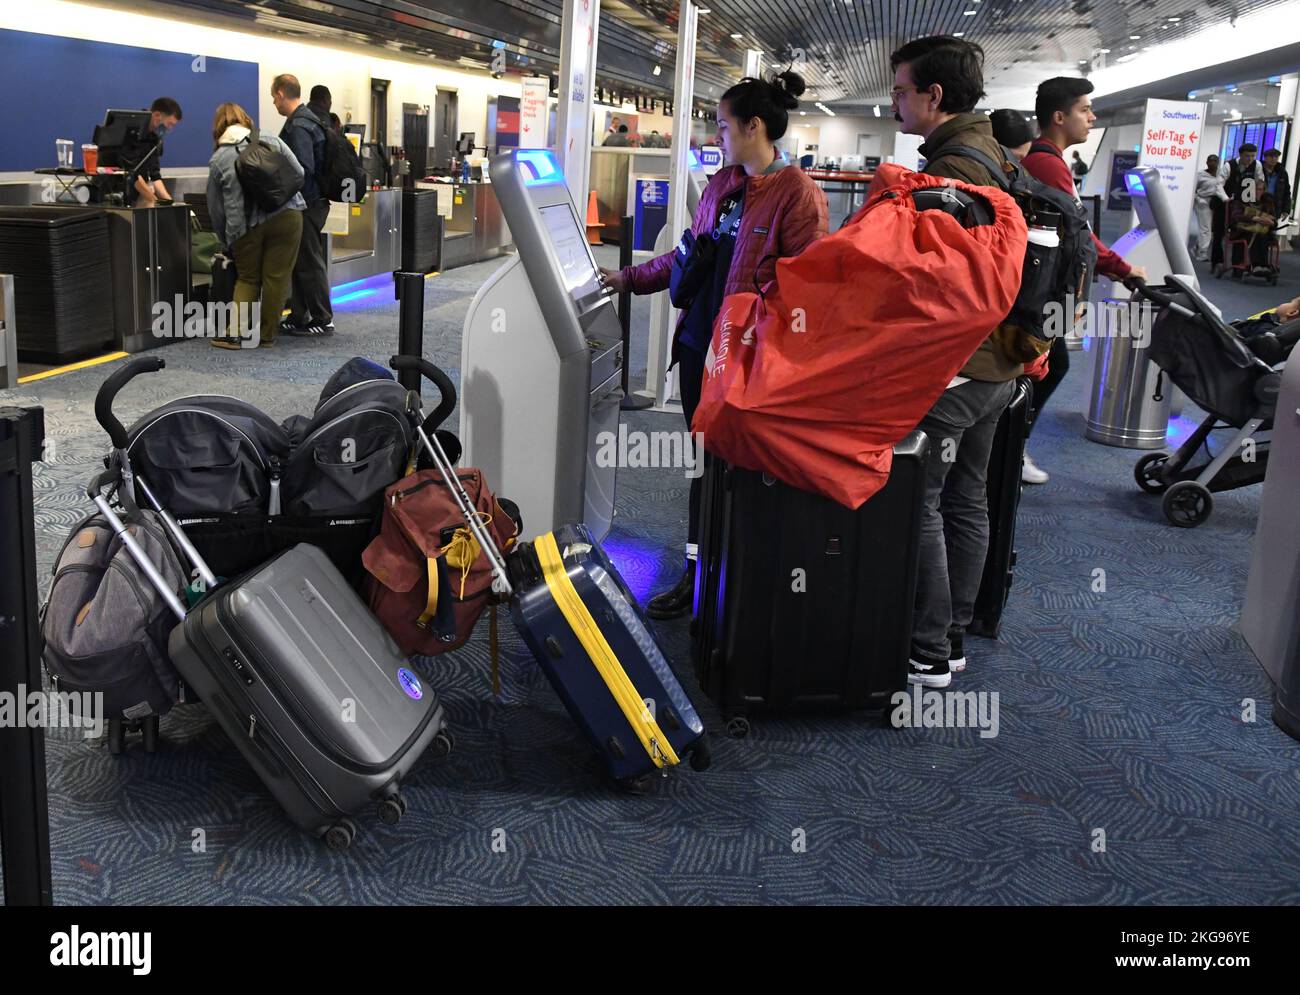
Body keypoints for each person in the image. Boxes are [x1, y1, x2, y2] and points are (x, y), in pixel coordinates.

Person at [597, 71, 828, 619]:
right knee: (704, 467)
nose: (717, 134)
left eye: (723, 125)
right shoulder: (724, 187)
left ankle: (743, 578)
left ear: (754, 126)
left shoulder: (798, 195)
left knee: (740, 473)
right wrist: (628, 278)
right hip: (700, 348)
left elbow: (809, 291)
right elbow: (687, 259)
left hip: (746, 362)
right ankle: (699, 573)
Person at [890, 35, 1023, 687]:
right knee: (967, 497)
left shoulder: (956, 169)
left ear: (932, 96)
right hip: (1001, 366)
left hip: (963, 369)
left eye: (900, 90)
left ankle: (930, 648)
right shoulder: (993, 151)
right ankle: (955, 631)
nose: (895, 102)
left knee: (922, 498)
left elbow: (944, 283)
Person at [1020, 77, 1147, 485]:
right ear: (1059, 117)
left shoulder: (1050, 160)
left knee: (1047, 365)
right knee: (1047, 366)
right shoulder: (1046, 163)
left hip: (1045, 287)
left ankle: (1010, 445)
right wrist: (1123, 269)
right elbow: (1079, 232)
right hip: (1039, 291)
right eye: (1084, 110)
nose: (1092, 118)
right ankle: (1010, 446)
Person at [205, 102, 306, 350]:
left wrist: (225, 240)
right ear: (244, 119)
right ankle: (267, 336)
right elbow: (299, 171)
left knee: (248, 278)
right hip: (287, 215)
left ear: (218, 128)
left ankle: (234, 334)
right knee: (277, 278)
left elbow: (216, 208)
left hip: (246, 227)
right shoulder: (269, 138)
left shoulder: (219, 159)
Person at [272, 74, 334, 337]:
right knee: (300, 260)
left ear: (281, 94)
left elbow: (303, 168)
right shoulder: (307, 119)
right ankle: (299, 315)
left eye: (273, 96)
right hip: (310, 201)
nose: (274, 102)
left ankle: (322, 317)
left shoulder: (299, 125)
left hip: (307, 202)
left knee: (309, 259)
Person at [121, 97, 183, 207]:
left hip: (139, 196)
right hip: (119, 195)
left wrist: (170, 202)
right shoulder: (131, 132)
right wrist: (155, 200)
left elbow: (155, 175)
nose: (169, 129)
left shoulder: (155, 139)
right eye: (169, 124)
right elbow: (131, 174)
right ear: (157, 115)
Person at [1214, 143, 1267, 270]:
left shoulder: (1257, 165)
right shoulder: (1229, 165)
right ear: (1241, 155)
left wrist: (1258, 199)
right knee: (1218, 233)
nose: (1250, 159)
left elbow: (1260, 182)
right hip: (1225, 202)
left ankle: (1240, 264)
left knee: (1242, 230)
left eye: (1253, 156)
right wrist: (1226, 199)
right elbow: (1218, 185)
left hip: (1244, 204)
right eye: (1247, 156)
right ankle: (1217, 261)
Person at [1194, 155, 1228, 262]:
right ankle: (1202, 253)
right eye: (1211, 161)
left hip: (1218, 202)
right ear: (1207, 162)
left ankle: (1198, 246)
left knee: (1214, 228)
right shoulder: (1200, 175)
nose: (1213, 163)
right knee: (1206, 228)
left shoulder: (1221, 174)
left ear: (1218, 162)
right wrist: (1199, 200)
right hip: (1204, 202)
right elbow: (1192, 189)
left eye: (1215, 161)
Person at [1261, 148, 1291, 218]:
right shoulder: (1259, 169)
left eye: (1276, 157)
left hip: (1275, 207)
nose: (1274, 159)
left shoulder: (1282, 172)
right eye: (1271, 156)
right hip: (1260, 205)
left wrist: (1286, 210)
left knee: (1272, 227)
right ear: (1265, 158)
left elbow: (1286, 192)